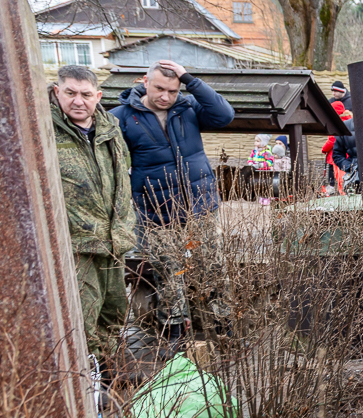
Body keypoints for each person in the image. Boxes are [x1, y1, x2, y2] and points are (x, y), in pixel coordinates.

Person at [109, 60, 234, 346]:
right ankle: (174, 336)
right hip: (156, 213)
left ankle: (225, 330)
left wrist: (189, 78)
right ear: (144, 81)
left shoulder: (187, 108)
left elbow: (224, 115)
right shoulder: (122, 117)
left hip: (200, 207)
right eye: (159, 88)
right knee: (167, 274)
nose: (165, 96)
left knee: (212, 269)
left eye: (173, 90)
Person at [50, 65, 137, 359]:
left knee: (114, 313)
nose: (78, 101)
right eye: (70, 93)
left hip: (113, 239)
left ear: (97, 96)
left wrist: (124, 225)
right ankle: (88, 383)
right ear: (56, 92)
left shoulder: (110, 127)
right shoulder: (43, 129)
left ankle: (107, 378)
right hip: (76, 244)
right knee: (82, 320)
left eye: (86, 94)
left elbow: (122, 177)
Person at [322, 101, 354, 194]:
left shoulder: (338, 123)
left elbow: (332, 140)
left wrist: (324, 149)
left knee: (340, 177)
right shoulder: (348, 120)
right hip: (347, 155)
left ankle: (344, 194)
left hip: (338, 155)